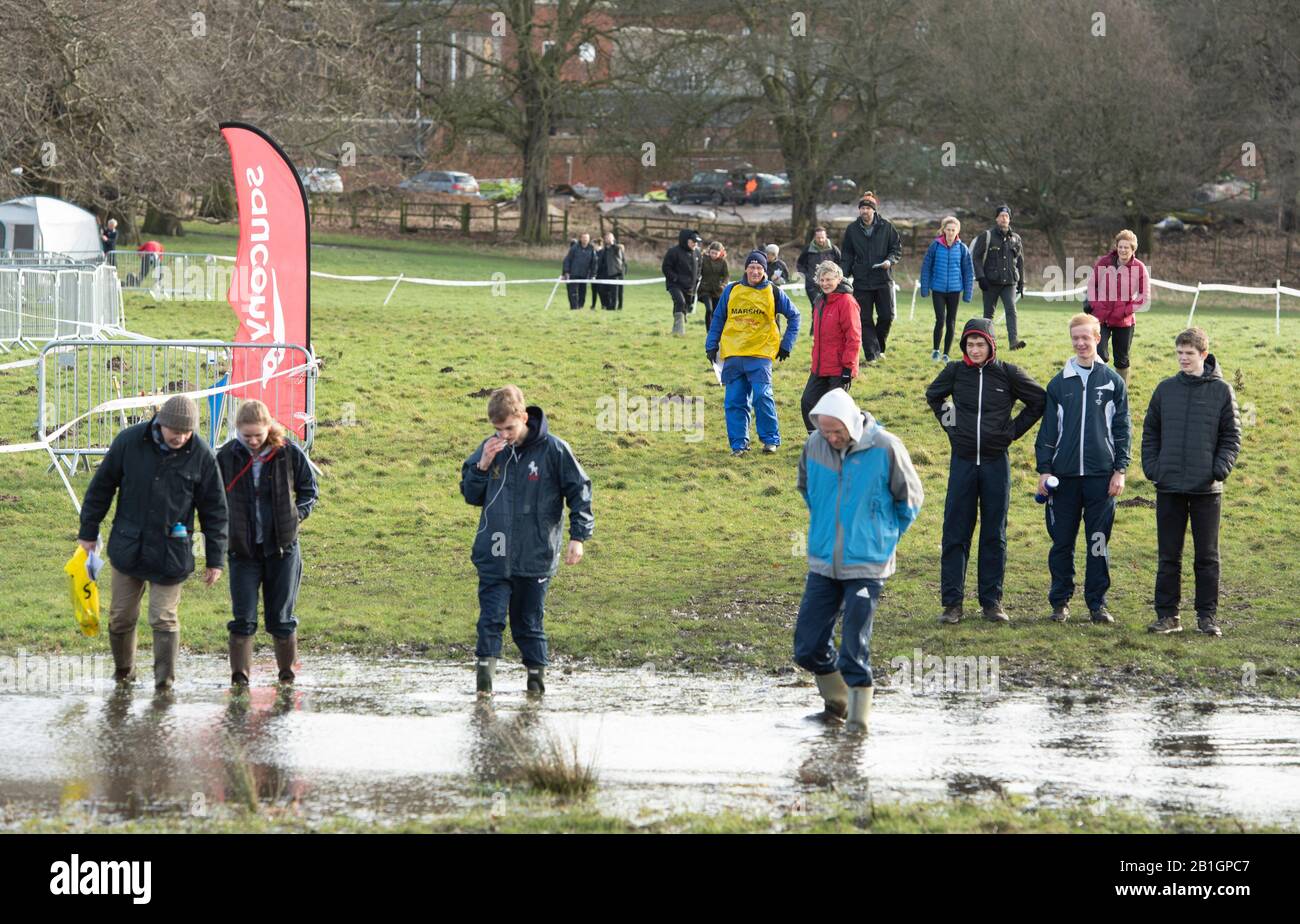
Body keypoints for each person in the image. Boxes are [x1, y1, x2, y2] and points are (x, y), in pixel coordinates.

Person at [77, 395, 228, 690]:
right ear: (161, 423)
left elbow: (215, 511)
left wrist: (215, 559)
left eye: (187, 433)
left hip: (172, 552)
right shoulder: (128, 442)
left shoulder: (202, 455)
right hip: (127, 547)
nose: (181, 437)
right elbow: (101, 488)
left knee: (163, 617)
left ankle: (164, 685)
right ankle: (124, 675)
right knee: (120, 617)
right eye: (176, 431)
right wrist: (88, 532)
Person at [794, 387, 924, 732]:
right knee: (807, 646)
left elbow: (910, 501)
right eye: (826, 431)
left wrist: (883, 538)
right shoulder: (813, 446)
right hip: (824, 561)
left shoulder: (886, 447)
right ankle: (837, 702)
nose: (832, 437)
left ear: (851, 423)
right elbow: (808, 491)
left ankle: (858, 724)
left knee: (854, 648)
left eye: (837, 431)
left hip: (867, 563)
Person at [460, 385, 594, 695]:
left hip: (535, 555)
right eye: (497, 429)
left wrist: (579, 536)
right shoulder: (490, 449)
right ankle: (484, 692)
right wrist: (481, 466)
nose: (503, 435)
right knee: (489, 622)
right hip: (493, 553)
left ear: (523, 417)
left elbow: (580, 492)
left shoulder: (555, 450)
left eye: (508, 427)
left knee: (528, 625)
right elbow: (470, 494)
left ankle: (536, 691)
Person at [926, 318, 1045, 624]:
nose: (975, 349)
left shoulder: (1008, 373)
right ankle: (952, 604)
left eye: (980, 344)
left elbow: (1039, 401)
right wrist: (953, 428)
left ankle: (992, 602)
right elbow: (934, 396)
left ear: (991, 345)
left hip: (996, 463)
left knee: (995, 533)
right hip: (963, 462)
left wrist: (1010, 432)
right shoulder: (955, 371)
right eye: (970, 344)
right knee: (955, 532)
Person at [1141, 328, 1241, 636]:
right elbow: (1150, 432)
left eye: (1189, 354)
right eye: (1180, 353)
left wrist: (1218, 470)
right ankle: (1167, 616)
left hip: (1206, 489)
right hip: (1168, 486)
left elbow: (1231, 436)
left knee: (1207, 557)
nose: (1184, 358)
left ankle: (1206, 617)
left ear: (1203, 355)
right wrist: (1154, 468)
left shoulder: (1222, 391)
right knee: (1169, 555)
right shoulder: (1165, 389)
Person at [1035, 313, 1131, 624]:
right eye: (1075, 338)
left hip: (1101, 478)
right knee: (1062, 542)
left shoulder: (1113, 382)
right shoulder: (1059, 384)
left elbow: (1122, 429)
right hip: (1063, 479)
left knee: (1098, 542)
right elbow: (1048, 431)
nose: (1080, 343)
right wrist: (1044, 470)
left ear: (1097, 338)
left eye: (1086, 337)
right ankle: (1060, 602)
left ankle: (1097, 603)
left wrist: (1120, 470)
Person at [216, 400, 319, 686]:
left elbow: (309, 490)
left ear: (268, 427)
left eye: (257, 436)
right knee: (243, 619)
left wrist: (296, 515)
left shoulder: (288, 452)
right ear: (237, 429)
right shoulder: (226, 457)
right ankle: (240, 679)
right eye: (246, 435)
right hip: (243, 552)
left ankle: (287, 677)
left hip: (283, 550)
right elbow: (212, 497)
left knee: (282, 619)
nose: (252, 441)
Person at [704, 251, 801, 456]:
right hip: (733, 354)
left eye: (759, 268)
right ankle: (738, 445)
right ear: (746, 269)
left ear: (764, 270)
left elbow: (794, 316)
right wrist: (711, 345)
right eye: (751, 267)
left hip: (760, 354)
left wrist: (786, 344)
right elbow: (718, 318)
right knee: (734, 401)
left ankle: (770, 440)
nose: (755, 271)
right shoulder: (731, 290)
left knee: (762, 397)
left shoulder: (773, 291)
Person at [838, 192, 902, 363]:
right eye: (862, 208)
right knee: (864, 318)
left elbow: (896, 249)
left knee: (887, 316)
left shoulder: (887, 227)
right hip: (861, 280)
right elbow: (847, 255)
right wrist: (843, 276)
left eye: (868, 208)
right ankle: (872, 354)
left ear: (874, 211)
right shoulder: (852, 229)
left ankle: (879, 346)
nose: (865, 211)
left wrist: (890, 260)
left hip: (883, 278)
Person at [800, 261, 861, 432]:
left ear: (839, 279)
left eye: (829, 279)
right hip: (820, 367)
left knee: (835, 411)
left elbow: (854, 337)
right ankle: (817, 441)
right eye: (822, 280)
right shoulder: (820, 300)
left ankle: (849, 440)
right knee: (808, 402)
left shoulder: (847, 302)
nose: (825, 283)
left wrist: (848, 368)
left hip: (840, 368)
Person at [1087, 229, 1149, 387]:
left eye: (1126, 247)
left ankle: (1121, 392)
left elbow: (1143, 296)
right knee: (1099, 353)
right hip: (1101, 317)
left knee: (1122, 359)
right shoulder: (1104, 262)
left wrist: (1125, 311)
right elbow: (1092, 285)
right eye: (1120, 246)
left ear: (1133, 249)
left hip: (1124, 320)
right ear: (1116, 247)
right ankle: (1100, 387)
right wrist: (1095, 305)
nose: (1123, 250)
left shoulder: (1140, 268)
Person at [918, 216, 974, 361]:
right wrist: (925, 288)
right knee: (940, 320)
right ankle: (936, 350)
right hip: (938, 289)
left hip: (955, 290)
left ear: (957, 231)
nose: (950, 232)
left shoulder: (962, 248)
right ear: (943, 230)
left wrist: (967, 294)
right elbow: (926, 267)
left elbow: (968, 271)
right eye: (948, 230)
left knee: (951, 321)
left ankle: (946, 354)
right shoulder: (935, 246)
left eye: (953, 230)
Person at [970, 205, 1026, 350]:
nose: (1004, 218)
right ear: (996, 218)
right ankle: (989, 343)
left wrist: (1021, 282)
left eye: (1006, 216)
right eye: (1001, 216)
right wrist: (981, 277)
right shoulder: (987, 236)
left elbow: (1020, 261)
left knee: (1011, 310)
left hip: (1010, 282)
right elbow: (976, 258)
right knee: (988, 314)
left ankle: (1013, 341)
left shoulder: (1016, 238)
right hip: (990, 282)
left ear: (1010, 219)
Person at [662, 228, 702, 336]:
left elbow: (699, 268)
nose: (695, 244)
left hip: (690, 287)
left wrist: (697, 278)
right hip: (675, 284)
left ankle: (679, 325)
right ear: (685, 240)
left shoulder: (697, 253)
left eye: (696, 242)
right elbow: (666, 268)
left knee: (685, 307)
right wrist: (675, 278)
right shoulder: (673, 252)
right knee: (680, 302)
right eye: (693, 241)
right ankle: (678, 330)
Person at [797, 226, 841, 304]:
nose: (820, 240)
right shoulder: (808, 250)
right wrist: (808, 276)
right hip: (812, 285)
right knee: (817, 307)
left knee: (829, 307)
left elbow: (840, 264)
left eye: (822, 237)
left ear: (826, 236)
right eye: (818, 238)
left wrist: (835, 277)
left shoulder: (833, 249)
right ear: (814, 237)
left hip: (830, 284)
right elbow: (800, 264)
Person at [698, 241, 729, 330]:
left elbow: (726, 276)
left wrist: (723, 284)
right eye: (712, 253)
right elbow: (698, 271)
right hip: (705, 289)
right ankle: (709, 330)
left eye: (716, 253)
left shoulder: (723, 262)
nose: (714, 255)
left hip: (717, 291)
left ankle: (715, 330)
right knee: (709, 310)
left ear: (720, 253)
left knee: (716, 312)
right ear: (709, 251)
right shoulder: (704, 259)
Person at [561, 232, 597, 310]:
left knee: (582, 292)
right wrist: (566, 272)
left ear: (589, 239)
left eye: (587, 238)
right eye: (584, 238)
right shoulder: (574, 248)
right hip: (573, 273)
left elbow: (594, 263)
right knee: (572, 292)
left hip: (584, 274)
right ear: (580, 239)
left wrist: (593, 274)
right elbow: (567, 260)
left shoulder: (591, 249)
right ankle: (574, 307)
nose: (585, 240)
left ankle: (580, 306)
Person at [594, 231, 626, 310]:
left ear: (613, 239)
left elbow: (623, 261)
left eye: (609, 237)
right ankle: (607, 305)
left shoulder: (617, 248)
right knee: (601, 290)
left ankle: (614, 307)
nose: (607, 239)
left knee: (616, 292)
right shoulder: (603, 251)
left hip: (615, 273)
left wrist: (622, 272)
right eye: (606, 238)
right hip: (605, 274)